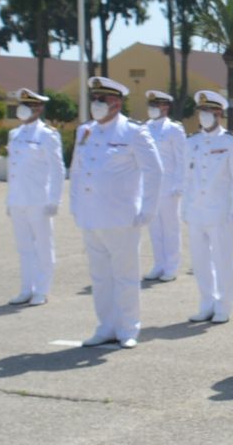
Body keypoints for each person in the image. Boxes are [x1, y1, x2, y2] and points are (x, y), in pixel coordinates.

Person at [69, 76, 163, 349]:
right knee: (100, 277)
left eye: (102, 99)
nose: (96, 104)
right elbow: (76, 171)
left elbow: (154, 171)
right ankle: (106, 326)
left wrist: (148, 209)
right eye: (94, 99)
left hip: (122, 217)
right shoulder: (85, 131)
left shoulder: (133, 131)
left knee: (125, 275)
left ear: (116, 102)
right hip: (91, 216)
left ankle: (128, 328)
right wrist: (76, 206)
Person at [182, 90, 233, 324]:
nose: (205, 115)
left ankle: (224, 305)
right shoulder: (192, 141)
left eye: (209, 111)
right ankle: (206, 302)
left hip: (221, 210)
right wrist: (185, 207)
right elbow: (187, 177)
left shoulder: (230, 140)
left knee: (222, 260)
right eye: (202, 111)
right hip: (197, 210)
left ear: (219, 113)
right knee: (199, 261)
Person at [4, 89, 65, 306]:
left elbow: (57, 169)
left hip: (39, 199)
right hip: (19, 199)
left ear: (39, 109)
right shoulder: (15, 134)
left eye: (30, 105)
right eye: (23, 104)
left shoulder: (47, 134)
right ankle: (26, 288)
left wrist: (54, 199)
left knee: (43, 246)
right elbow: (11, 169)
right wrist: (9, 200)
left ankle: (42, 289)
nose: (25, 109)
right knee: (24, 247)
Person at [141, 89, 188, 283]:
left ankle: (171, 266)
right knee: (154, 229)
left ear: (165, 107)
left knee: (170, 228)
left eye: (156, 105)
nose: (152, 109)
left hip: (169, 186)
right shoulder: (144, 128)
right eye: (150, 105)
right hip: (150, 187)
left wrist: (179, 184)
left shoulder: (174, 129)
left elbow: (182, 158)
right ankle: (158, 264)